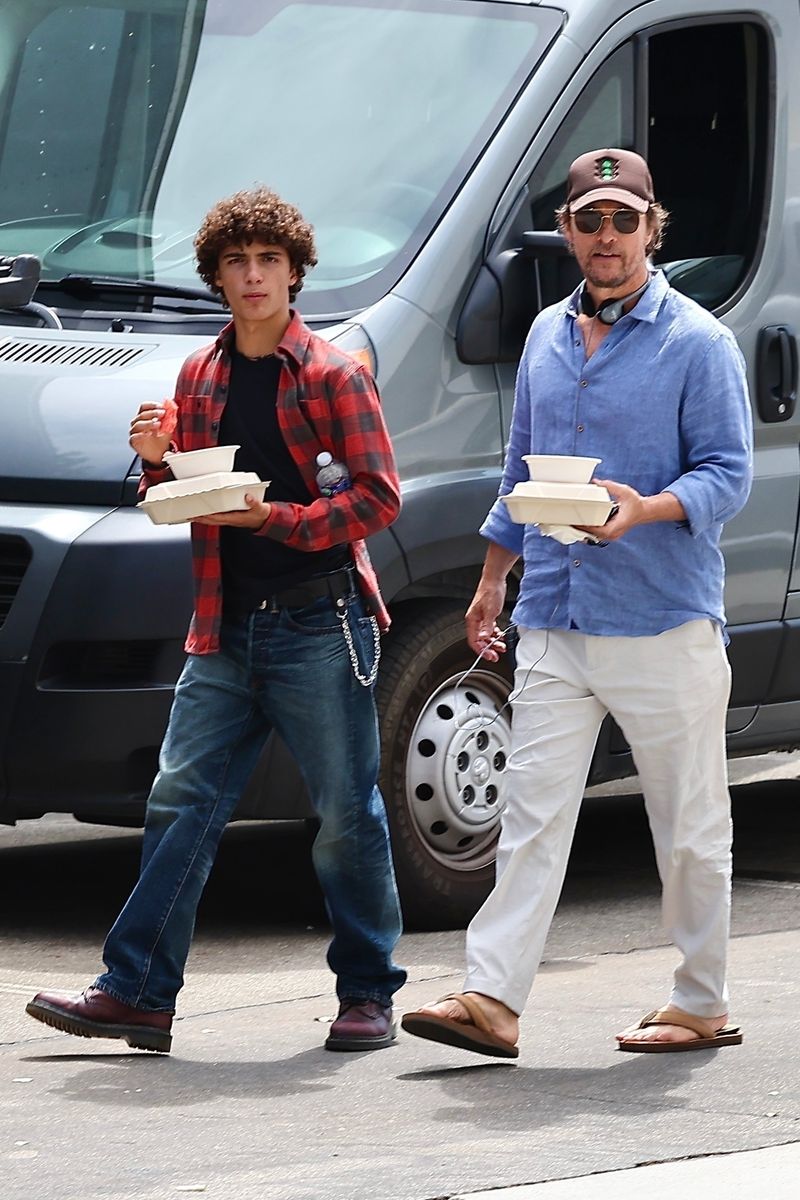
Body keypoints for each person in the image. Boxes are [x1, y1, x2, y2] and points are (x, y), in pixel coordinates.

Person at [26, 187, 406, 1054]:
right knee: (181, 802)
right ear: (217, 277)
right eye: (236, 263)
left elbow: (380, 501)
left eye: (268, 261)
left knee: (345, 813)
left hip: (321, 622)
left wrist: (273, 519)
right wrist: (155, 464)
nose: (252, 276)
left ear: (295, 272)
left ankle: (368, 993)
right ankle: (138, 993)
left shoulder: (335, 375)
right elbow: (181, 498)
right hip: (225, 626)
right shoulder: (200, 375)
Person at [402, 148, 753, 1058]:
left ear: (653, 227)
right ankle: (492, 998)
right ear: (567, 231)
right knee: (529, 813)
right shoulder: (545, 338)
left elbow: (728, 474)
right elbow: (519, 469)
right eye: (589, 220)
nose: (606, 237)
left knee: (688, 823)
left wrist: (646, 510)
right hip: (555, 612)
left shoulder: (699, 343)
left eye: (623, 220)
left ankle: (701, 1000)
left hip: (662, 618)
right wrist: (490, 580)